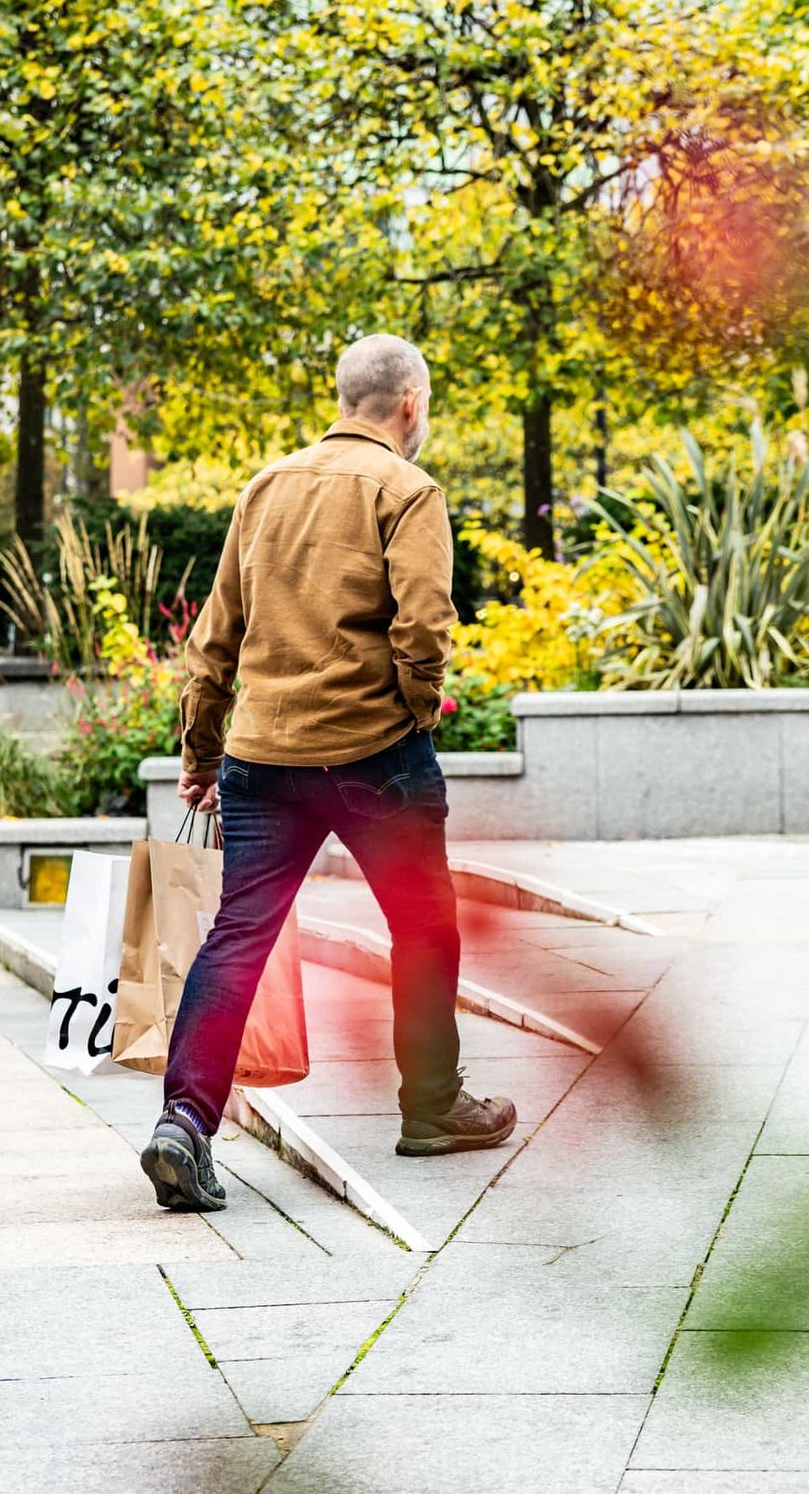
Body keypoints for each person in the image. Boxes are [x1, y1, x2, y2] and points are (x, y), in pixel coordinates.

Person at [141, 334, 517, 1215]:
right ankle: (431, 1109)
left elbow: (212, 644)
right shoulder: (408, 490)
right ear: (411, 404)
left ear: (345, 398)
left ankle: (185, 1125)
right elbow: (424, 627)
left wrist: (200, 757)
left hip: (262, 755)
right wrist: (416, 713)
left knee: (240, 933)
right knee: (424, 929)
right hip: (376, 753)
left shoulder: (265, 488)